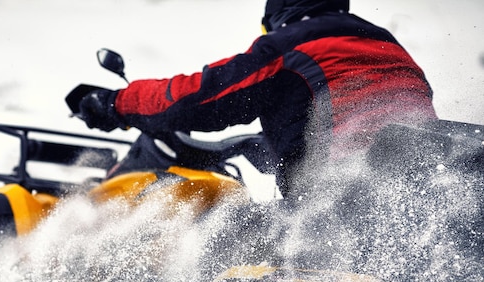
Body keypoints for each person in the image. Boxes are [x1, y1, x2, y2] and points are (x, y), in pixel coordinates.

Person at [78, 0, 438, 199]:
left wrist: (116, 103)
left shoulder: (291, 46)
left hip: (330, 207)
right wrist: (268, 146)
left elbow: (201, 98)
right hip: (409, 200)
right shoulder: (388, 47)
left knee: (215, 241)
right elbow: (351, 118)